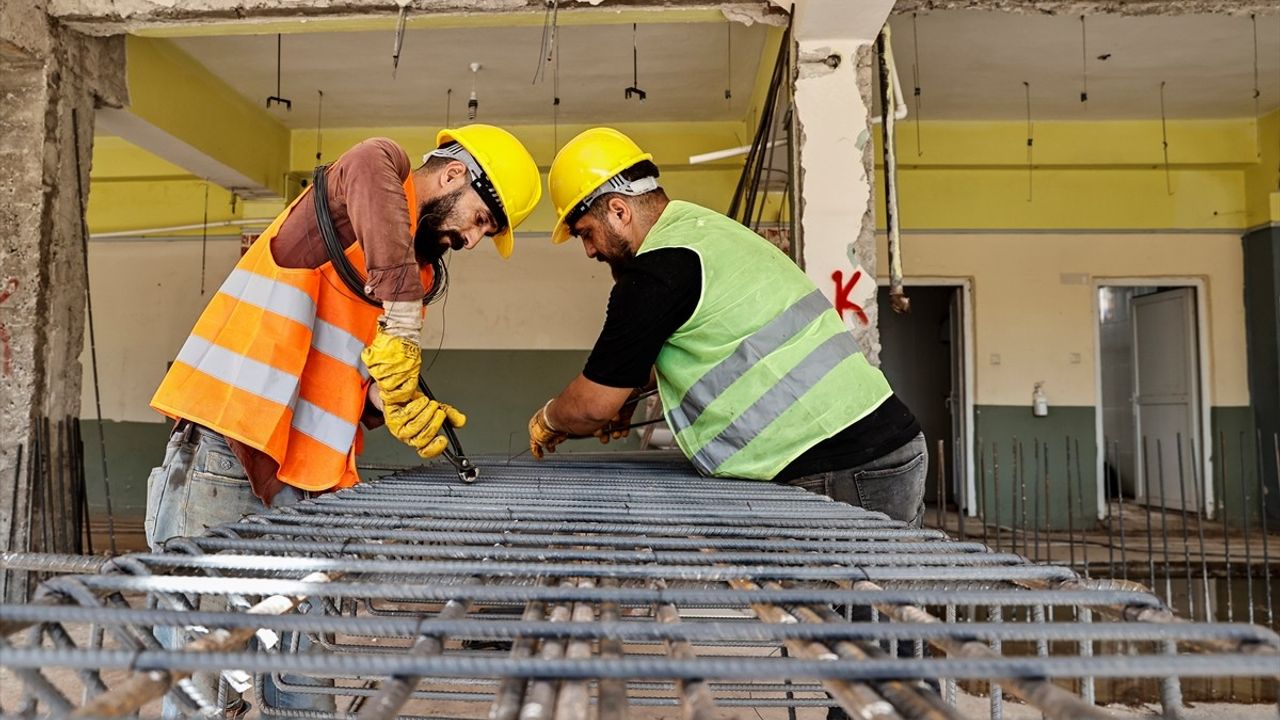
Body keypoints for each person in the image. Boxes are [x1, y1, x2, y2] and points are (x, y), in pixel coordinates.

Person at [144, 125, 540, 717]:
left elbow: (364, 372)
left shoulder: (416, 275)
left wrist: (401, 404)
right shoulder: (368, 179)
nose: (474, 240)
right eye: (482, 220)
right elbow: (366, 165)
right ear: (456, 175)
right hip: (230, 449)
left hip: (315, 478)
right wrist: (402, 319)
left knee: (304, 672)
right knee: (205, 670)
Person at [527, 127, 927, 526]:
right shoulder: (708, 234)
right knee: (888, 585)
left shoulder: (655, 272)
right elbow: (704, 343)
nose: (590, 250)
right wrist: (628, 392)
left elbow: (593, 405)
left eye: (586, 234)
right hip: (884, 447)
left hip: (840, 465)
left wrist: (550, 419)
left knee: (835, 589)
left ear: (618, 210)